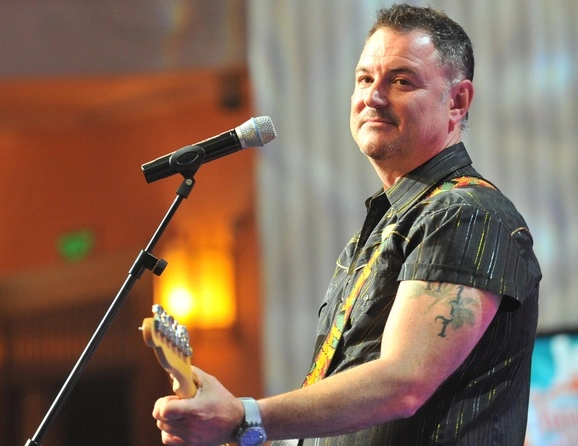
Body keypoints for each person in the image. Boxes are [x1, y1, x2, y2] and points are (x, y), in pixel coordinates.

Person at [152, 4, 542, 445]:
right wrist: (228, 428)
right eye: (364, 79)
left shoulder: (466, 213)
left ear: (457, 101)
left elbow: (403, 383)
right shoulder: (382, 230)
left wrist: (244, 417)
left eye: (401, 81)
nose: (373, 97)